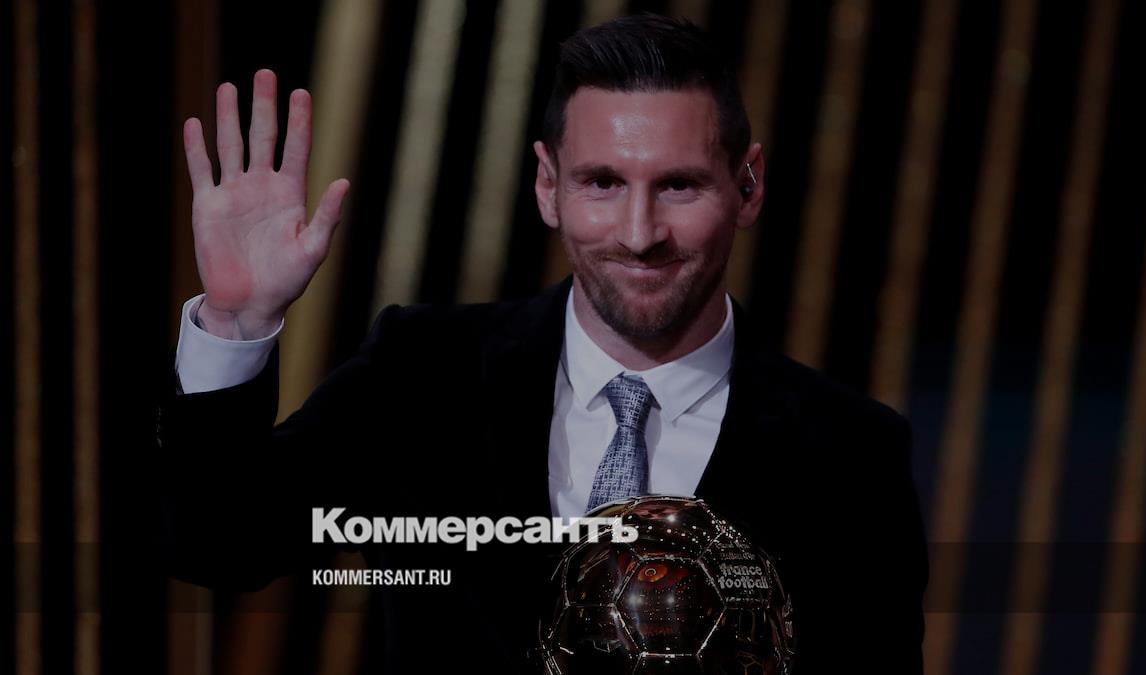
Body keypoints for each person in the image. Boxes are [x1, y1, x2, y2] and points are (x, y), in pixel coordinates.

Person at [159, 14, 927, 674]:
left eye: (678, 185)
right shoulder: (423, 370)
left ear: (748, 185)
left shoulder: (852, 454)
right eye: (602, 182)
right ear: (546, 184)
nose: (639, 233)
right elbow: (219, 542)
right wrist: (236, 323)